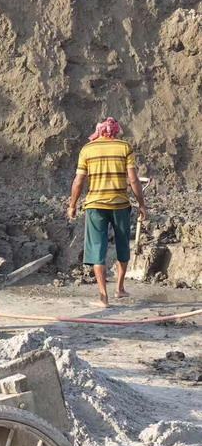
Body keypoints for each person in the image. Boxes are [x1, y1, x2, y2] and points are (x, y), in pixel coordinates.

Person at [67, 117, 147, 308]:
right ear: (115, 131)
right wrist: (141, 204)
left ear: (99, 132)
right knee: (123, 245)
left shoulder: (87, 149)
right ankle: (119, 288)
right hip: (121, 205)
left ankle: (103, 297)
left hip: (95, 206)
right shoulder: (125, 147)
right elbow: (133, 180)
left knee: (97, 249)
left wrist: (72, 205)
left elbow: (79, 180)